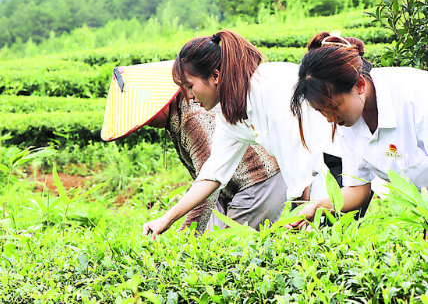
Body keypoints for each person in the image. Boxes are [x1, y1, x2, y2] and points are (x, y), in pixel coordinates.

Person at [143, 29, 336, 238]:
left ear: (215, 76)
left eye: (190, 86)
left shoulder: (268, 88)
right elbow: (212, 174)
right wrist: (165, 219)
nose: (189, 96)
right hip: (317, 175)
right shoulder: (230, 115)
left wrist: (301, 211)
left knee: (328, 243)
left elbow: (297, 158)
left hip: (335, 160)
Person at [288, 30, 428, 230]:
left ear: (360, 85)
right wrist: (317, 205)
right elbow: (358, 189)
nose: (330, 119)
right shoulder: (350, 121)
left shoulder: (417, 97)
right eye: (322, 112)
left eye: (334, 107)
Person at [148, 91, 288, 233]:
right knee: (213, 243)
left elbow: (209, 181)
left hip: (258, 179)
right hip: (227, 186)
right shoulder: (178, 116)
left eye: (150, 112)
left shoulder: (193, 119)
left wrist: (187, 236)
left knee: (231, 248)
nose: (148, 121)